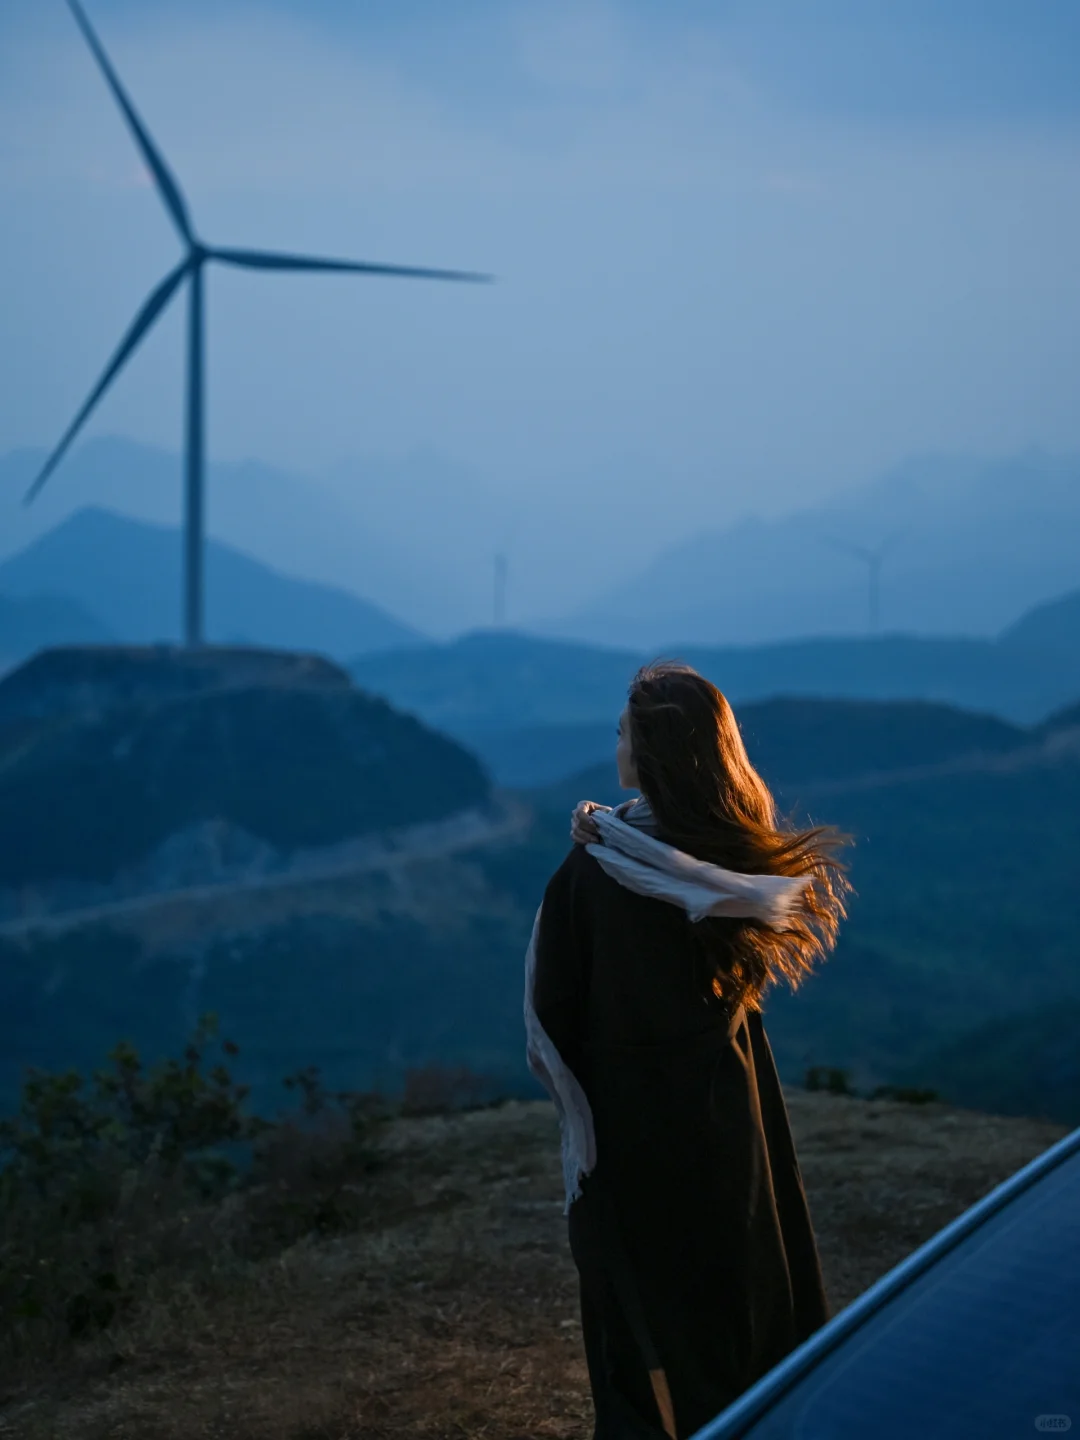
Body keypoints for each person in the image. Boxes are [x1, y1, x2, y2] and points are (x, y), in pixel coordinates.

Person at [528, 660, 851, 1439]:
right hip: (726, 1115)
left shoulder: (599, 870)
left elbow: (555, 1008)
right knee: (737, 1294)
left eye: (623, 733)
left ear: (649, 753)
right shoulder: (730, 864)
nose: (615, 747)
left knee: (639, 1320)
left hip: (630, 1128)